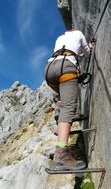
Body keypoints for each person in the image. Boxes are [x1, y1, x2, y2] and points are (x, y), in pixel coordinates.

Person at [45, 27, 93, 171]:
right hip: (66, 67)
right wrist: (90, 46)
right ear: (75, 30)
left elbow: (73, 53)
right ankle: (61, 154)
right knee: (69, 107)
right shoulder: (79, 33)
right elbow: (87, 52)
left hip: (49, 70)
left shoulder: (60, 38)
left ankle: (59, 109)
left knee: (65, 98)